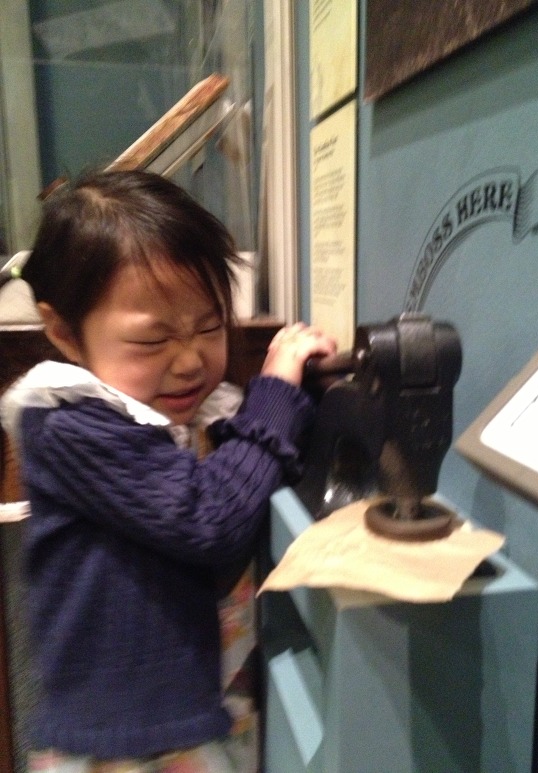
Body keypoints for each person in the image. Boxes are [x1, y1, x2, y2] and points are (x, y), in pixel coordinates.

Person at [0, 169, 337, 772]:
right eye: (152, 341)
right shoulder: (70, 422)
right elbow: (211, 516)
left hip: (192, 696)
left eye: (209, 326)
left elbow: (240, 470)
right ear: (64, 332)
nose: (189, 361)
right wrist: (277, 392)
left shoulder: (188, 410)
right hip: (125, 735)